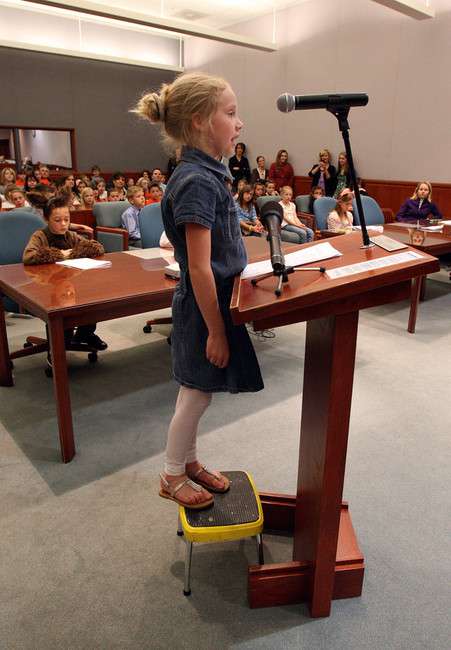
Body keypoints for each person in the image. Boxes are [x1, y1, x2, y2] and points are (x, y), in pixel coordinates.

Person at [133, 71, 263, 509]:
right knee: (195, 392)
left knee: (199, 387)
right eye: (230, 113)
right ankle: (171, 474)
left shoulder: (209, 175)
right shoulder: (196, 181)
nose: (239, 123)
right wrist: (217, 331)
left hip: (216, 301)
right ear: (198, 122)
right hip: (202, 306)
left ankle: (188, 461)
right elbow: (202, 269)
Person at [22, 195, 107, 349]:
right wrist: (62, 254)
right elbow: (29, 256)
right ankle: (59, 344)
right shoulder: (40, 236)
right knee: (61, 308)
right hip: (47, 286)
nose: (63, 224)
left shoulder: (70, 236)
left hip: (69, 283)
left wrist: (74, 252)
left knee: (92, 299)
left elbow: (97, 247)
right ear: (47, 219)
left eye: (66, 220)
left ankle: (84, 334)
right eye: (57, 220)